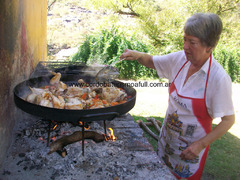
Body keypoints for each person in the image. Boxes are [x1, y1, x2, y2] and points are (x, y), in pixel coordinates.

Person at [120, 13, 235, 180]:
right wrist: (137, 54)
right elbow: (152, 61)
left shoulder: (218, 78)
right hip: (166, 144)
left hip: (189, 153)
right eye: (184, 39)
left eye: (192, 42)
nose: (185, 46)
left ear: (209, 46)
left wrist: (200, 145)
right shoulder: (180, 59)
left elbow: (228, 120)